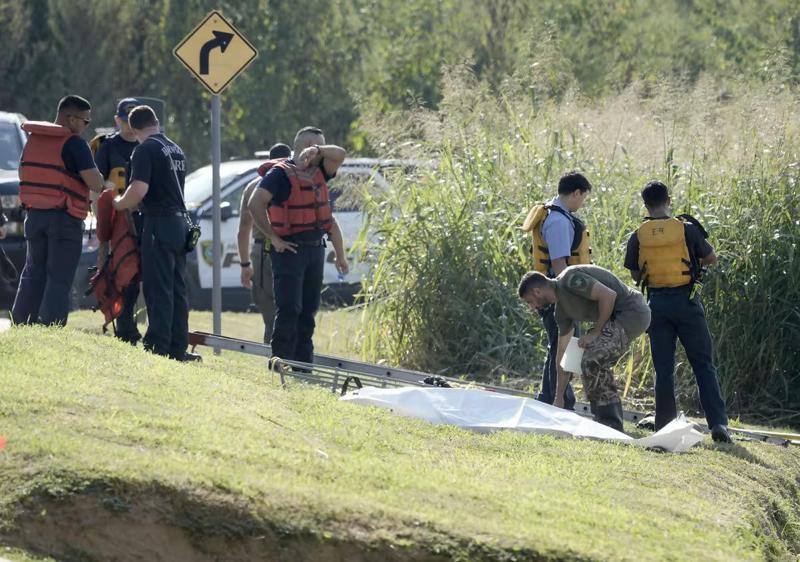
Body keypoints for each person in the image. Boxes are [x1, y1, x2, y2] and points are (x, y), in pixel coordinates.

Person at [624, 181, 730, 442]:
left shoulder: (638, 235)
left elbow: (635, 273)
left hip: (657, 306)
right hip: (687, 302)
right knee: (703, 364)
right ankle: (718, 424)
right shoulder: (687, 229)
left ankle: (664, 424)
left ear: (645, 204)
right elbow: (711, 257)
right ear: (668, 200)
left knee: (663, 368)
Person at [248, 127, 349, 364]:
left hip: (315, 250)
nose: (325, 155)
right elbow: (256, 203)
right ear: (306, 146)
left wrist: (340, 255)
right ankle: (280, 360)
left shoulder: (321, 171)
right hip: (289, 250)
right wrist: (273, 237)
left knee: (308, 310)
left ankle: (303, 364)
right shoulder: (279, 175)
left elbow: (340, 154)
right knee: (289, 308)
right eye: (319, 147)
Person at [112, 105, 200, 362]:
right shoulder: (175, 148)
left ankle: (158, 345)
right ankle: (177, 345)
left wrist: (118, 203)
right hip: (181, 224)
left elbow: (139, 190)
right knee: (177, 288)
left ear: (132, 128)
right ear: (157, 122)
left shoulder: (144, 149)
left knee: (158, 287)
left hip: (158, 223)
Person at [518, 265, 651, 432]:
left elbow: (609, 296)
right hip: (614, 319)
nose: (532, 307)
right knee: (587, 358)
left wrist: (596, 332)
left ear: (537, 291)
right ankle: (605, 421)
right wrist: (559, 398)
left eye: (530, 302)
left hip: (631, 312)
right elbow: (562, 356)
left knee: (593, 357)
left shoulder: (570, 279)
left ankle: (610, 425)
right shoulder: (561, 312)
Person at [12, 95, 104, 326]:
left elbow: (24, 174)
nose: (86, 127)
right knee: (59, 277)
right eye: (85, 122)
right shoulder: (74, 143)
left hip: (34, 216)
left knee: (33, 271)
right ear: (71, 119)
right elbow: (95, 183)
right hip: (64, 218)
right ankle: (51, 325)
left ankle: (22, 322)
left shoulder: (34, 140)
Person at [521, 171, 593, 410]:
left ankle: (549, 396)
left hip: (554, 291)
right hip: (559, 293)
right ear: (576, 192)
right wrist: (574, 296)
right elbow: (560, 265)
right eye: (583, 197)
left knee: (558, 345)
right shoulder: (559, 221)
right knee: (565, 346)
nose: (582, 203)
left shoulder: (552, 213)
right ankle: (559, 399)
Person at [93, 97, 142, 344]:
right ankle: (124, 325)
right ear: (117, 120)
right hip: (117, 217)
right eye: (125, 120)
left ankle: (131, 324)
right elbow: (99, 189)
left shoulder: (147, 145)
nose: (129, 126)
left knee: (140, 274)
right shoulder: (108, 147)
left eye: (133, 120)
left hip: (142, 216)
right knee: (120, 272)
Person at [237, 143, 292, 344]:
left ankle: (274, 354)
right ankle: (298, 358)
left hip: (264, 250)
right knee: (294, 309)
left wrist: (245, 264)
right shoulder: (299, 180)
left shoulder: (254, 186)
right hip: (295, 249)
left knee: (271, 316)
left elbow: (244, 228)